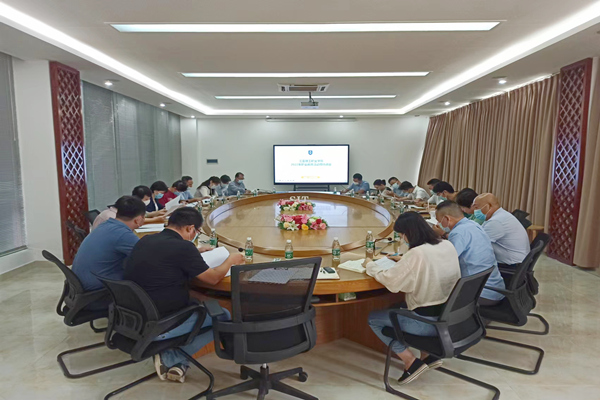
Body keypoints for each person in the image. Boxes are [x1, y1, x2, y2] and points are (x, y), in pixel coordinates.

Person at [124, 207, 245, 383]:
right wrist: (230, 260)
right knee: (222, 315)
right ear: (190, 228)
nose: (194, 235)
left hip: (134, 314)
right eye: (196, 232)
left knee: (202, 300)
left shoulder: (147, 240)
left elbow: (167, 262)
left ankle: (178, 362)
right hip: (159, 321)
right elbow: (213, 279)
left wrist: (195, 253)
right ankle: (172, 356)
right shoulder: (184, 247)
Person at [365, 212, 461, 385]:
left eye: (402, 235)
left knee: (373, 319)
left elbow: (391, 282)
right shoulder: (446, 244)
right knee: (399, 306)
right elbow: (429, 265)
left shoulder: (416, 253)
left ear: (408, 233)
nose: (402, 239)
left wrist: (370, 265)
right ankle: (428, 355)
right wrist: (404, 261)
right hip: (449, 318)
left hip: (426, 324)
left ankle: (410, 361)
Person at [72, 196, 145, 307]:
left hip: (83, 287)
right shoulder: (123, 234)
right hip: (98, 293)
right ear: (138, 219)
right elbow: (147, 256)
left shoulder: (106, 225)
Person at [435, 201, 505, 305]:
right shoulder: (474, 225)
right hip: (495, 288)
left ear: (447, 219)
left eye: (439, 221)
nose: (438, 224)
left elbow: (446, 262)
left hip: (480, 294)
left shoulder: (458, 232)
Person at [473, 193, 531, 268]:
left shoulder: (496, 222)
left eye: (477, 207)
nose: (475, 211)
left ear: (488, 206)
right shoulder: (501, 215)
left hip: (511, 265)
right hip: (518, 261)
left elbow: (477, 244)